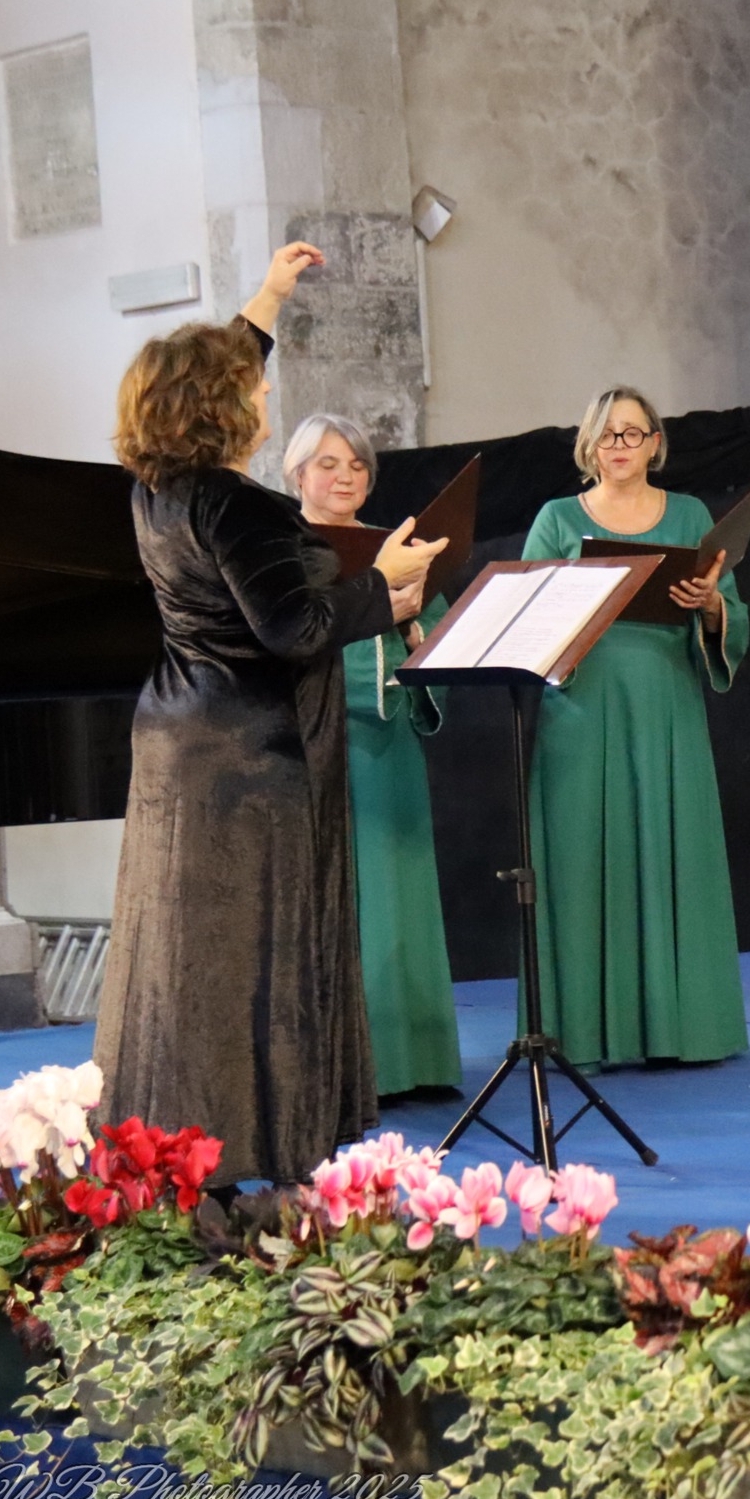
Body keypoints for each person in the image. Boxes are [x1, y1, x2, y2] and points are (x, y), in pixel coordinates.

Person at [96, 243, 444, 1183]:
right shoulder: (242, 506)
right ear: (219, 410)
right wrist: (386, 584)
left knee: (182, 957)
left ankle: (164, 1143)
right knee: (250, 965)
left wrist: (269, 300)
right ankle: (258, 1138)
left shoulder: (154, 491)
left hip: (176, 736)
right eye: (244, 392)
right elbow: (293, 630)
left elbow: (215, 369)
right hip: (248, 757)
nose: (260, 402)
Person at [520, 387, 749, 1066]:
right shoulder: (557, 517)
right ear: (589, 445)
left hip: (664, 703)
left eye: (633, 433)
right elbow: (521, 608)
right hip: (579, 705)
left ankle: (679, 1028)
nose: (619, 446)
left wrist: (709, 605)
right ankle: (585, 1033)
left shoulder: (690, 513)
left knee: (666, 847)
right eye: (607, 434)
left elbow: (729, 608)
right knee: (582, 855)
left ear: (656, 442)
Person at [286, 413, 461, 1099]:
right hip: (318, 744)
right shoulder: (282, 551)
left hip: (392, 745)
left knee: (400, 896)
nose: (345, 476)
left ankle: (411, 1062)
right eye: (328, 464)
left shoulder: (400, 546)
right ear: (297, 472)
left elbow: (442, 639)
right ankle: (336, 1072)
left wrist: (420, 633)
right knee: (331, 901)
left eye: (357, 465)